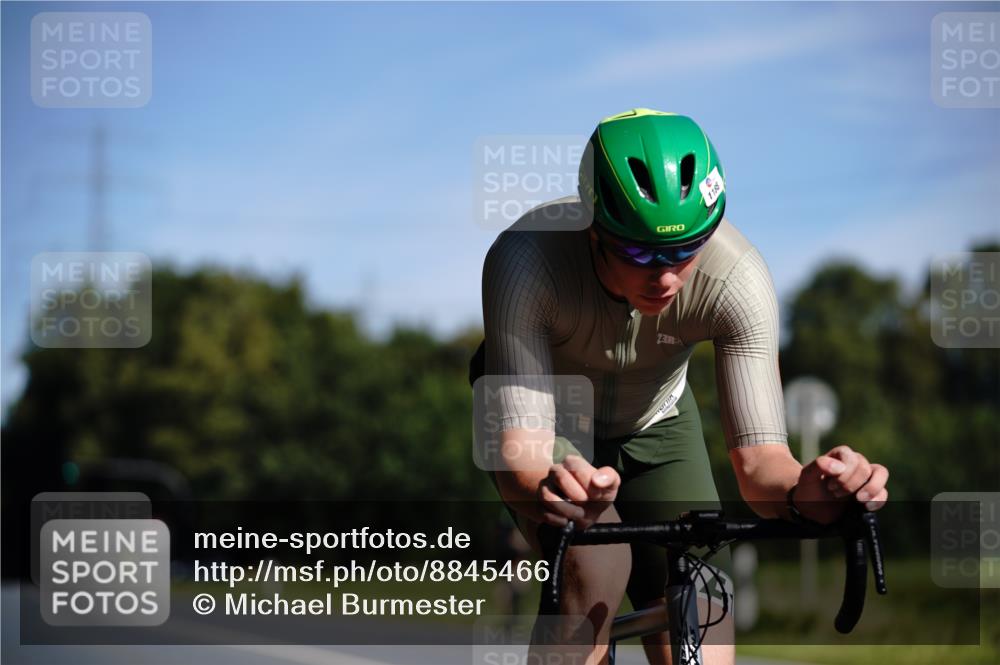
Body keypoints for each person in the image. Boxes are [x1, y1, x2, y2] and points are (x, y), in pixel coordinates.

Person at [473, 108, 891, 665]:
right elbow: (520, 452)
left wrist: (810, 491)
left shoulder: (738, 277)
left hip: (658, 422)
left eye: (684, 250)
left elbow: (763, 464)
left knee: (705, 602)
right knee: (598, 562)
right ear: (594, 231)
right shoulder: (526, 260)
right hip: (550, 424)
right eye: (641, 253)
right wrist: (552, 484)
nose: (666, 276)